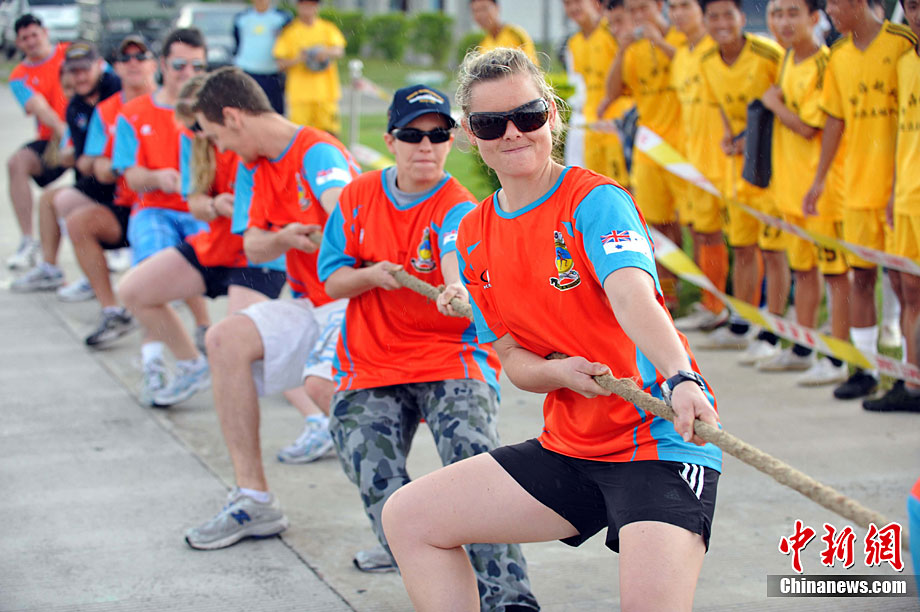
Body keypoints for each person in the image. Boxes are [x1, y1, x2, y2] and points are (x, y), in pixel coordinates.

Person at [381, 47, 721, 612]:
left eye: (529, 115)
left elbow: (634, 299)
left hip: (659, 445)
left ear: (554, 117)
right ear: (470, 135)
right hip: (570, 449)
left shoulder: (595, 201)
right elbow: (512, 358)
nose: (513, 133)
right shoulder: (474, 233)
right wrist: (558, 374)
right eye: (492, 123)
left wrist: (682, 377)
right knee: (409, 517)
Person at [316, 83, 540, 606]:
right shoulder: (357, 197)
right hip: (372, 361)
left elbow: (453, 251)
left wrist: (455, 286)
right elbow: (331, 279)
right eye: (412, 135)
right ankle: (436, 573)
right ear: (390, 140)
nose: (426, 146)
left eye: (439, 135)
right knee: (368, 462)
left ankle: (509, 597)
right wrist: (372, 275)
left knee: (474, 462)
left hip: (451, 358)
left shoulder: (459, 205)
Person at [183, 67, 359, 550]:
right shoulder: (252, 166)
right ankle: (254, 499)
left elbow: (344, 208)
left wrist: (331, 230)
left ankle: (405, 512)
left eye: (215, 134)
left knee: (323, 388)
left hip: (354, 301)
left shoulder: (317, 150)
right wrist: (286, 237)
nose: (218, 147)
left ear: (233, 117)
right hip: (312, 304)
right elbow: (253, 246)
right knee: (223, 339)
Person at [117, 76, 289, 408]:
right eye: (194, 129)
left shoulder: (253, 142)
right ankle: (190, 364)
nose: (208, 140)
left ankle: (315, 416)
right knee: (133, 290)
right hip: (216, 245)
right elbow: (194, 201)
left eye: (203, 128)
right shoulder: (196, 139)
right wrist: (214, 206)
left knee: (238, 346)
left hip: (256, 255)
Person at [803, 0, 917, 399]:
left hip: (899, 188)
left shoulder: (903, 43)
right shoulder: (838, 55)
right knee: (862, 278)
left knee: (905, 284)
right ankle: (864, 369)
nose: (830, 10)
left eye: (836, 2)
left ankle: (907, 374)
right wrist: (819, 180)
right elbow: (835, 119)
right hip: (856, 187)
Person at [112, 28, 212, 404]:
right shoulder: (135, 113)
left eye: (198, 66)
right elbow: (130, 175)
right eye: (180, 65)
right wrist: (159, 178)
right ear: (163, 65)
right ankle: (156, 360)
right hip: (156, 207)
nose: (188, 73)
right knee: (151, 276)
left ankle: (199, 336)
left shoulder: (212, 113)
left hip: (203, 211)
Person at [757, 0, 851, 384]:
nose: (783, 21)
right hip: (789, 187)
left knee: (836, 274)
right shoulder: (787, 59)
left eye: (792, 13)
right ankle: (802, 347)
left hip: (822, 191)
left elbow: (810, 127)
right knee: (803, 270)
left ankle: (839, 357)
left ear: (815, 18)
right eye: (777, 13)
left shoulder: (824, 64)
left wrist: (773, 103)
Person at [696, 0, 786, 361]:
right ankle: (743, 322)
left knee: (774, 251)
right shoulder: (707, 61)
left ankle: (774, 331)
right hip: (738, 168)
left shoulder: (768, 54)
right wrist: (728, 136)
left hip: (772, 167)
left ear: (742, 17)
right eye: (713, 16)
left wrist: (754, 137)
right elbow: (720, 106)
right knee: (743, 246)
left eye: (727, 15)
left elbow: (784, 102)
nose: (721, 23)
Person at [60, 36, 156, 345]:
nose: (133, 63)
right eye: (125, 59)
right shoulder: (107, 109)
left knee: (161, 226)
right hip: (129, 201)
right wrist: (124, 166)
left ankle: (198, 327)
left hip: (169, 205)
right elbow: (96, 165)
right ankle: (111, 310)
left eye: (140, 57)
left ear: (155, 64)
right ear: (116, 66)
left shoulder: (173, 104)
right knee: (75, 219)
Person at [599, 0, 687, 313]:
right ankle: (670, 294)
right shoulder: (633, 49)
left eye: (643, 8)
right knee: (657, 224)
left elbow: (690, 71)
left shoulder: (679, 36)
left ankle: (713, 302)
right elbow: (612, 92)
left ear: (659, 6)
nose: (638, 16)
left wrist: (659, 41)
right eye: (633, 11)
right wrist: (622, 50)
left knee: (696, 226)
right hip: (648, 149)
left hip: (682, 149)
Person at [11, 42, 121, 293]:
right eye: (74, 71)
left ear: (99, 66)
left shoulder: (116, 90)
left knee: (74, 212)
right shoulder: (76, 106)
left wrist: (87, 158)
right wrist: (74, 153)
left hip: (124, 179)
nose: (79, 77)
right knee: (49, 200)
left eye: (85, 70)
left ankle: (98, 274)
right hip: (95, 174)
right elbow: (81, 161)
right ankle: (50, 267)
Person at [863, 0, 920, 412]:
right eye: (912, 6)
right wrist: (894, 190)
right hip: (906, 197)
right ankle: (912, 383)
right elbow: (904, 134)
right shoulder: (905, 62)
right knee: (907, 290)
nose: (917, 15)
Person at [668, 0, 731, 333]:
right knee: (702, 233)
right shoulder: (682, 54)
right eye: (673, 7)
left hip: (721, 161)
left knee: (732, 238)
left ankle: (726, 308)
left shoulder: (716, 51)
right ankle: (712, 303)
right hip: (691, 160)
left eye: (685, 6)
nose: (678, 14)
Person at [6, 14, 69, 270]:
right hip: (54, 138)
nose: (31, 41)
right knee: (16, 163)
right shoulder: (19, 76)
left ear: (45, 33)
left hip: (89, 130)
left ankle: (117, 246)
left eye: (34, 34)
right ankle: (28, 241)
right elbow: (39, 108)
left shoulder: (70, 53)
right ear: (18, 43)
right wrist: (65, 133)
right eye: (25, 38)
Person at [563, 0, 632, 188]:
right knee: (596, 186)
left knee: (624, 186)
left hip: (617, 123)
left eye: (578, 2)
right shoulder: (573, 43)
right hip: (591, 126)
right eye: (567, 3)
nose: (573, 8)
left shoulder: (613, 30)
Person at [273, 0, 345, 135]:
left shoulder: (327, 28)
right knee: (299, 135)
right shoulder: (289, 32)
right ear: (298, 6)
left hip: (325, 93)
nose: (308, 8)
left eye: (311, 5)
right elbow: (279, 64)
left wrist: (324, 52)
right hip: (300, 95)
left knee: (330, 134)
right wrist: (299, 59)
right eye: (304, 5)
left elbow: (339, 50)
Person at [232, 0, 291, 114]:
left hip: (272, 74)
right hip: (247, 72)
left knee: (273, 112)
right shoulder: (241, 18)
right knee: (247, 112)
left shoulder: (283, 18)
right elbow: (237, 42)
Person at [470, 0, 539, 65]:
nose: (480, 15)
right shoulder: (483, 45)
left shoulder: (515, 34)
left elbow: (531, 66)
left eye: (484, 9)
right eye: (475, 11)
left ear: (497, 8)